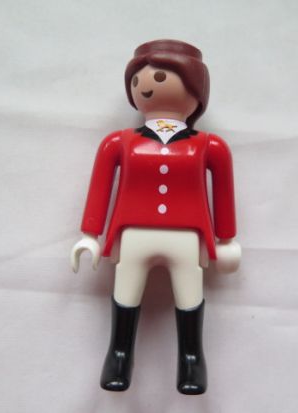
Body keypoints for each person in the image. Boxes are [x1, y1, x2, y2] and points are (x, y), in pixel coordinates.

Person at [71, 39, 241, 395]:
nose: (145, 86)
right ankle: (119, 355)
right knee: (126, 289)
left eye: (160, 77)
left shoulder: (209, 146)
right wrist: (90, 234)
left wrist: (227, 240)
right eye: (136, 81)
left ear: (195, 86)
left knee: (189, 293)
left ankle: (192, 360)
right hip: (133, 234)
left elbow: (223, 192)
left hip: (187, 237)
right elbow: (100, 186)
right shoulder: (118, 142)